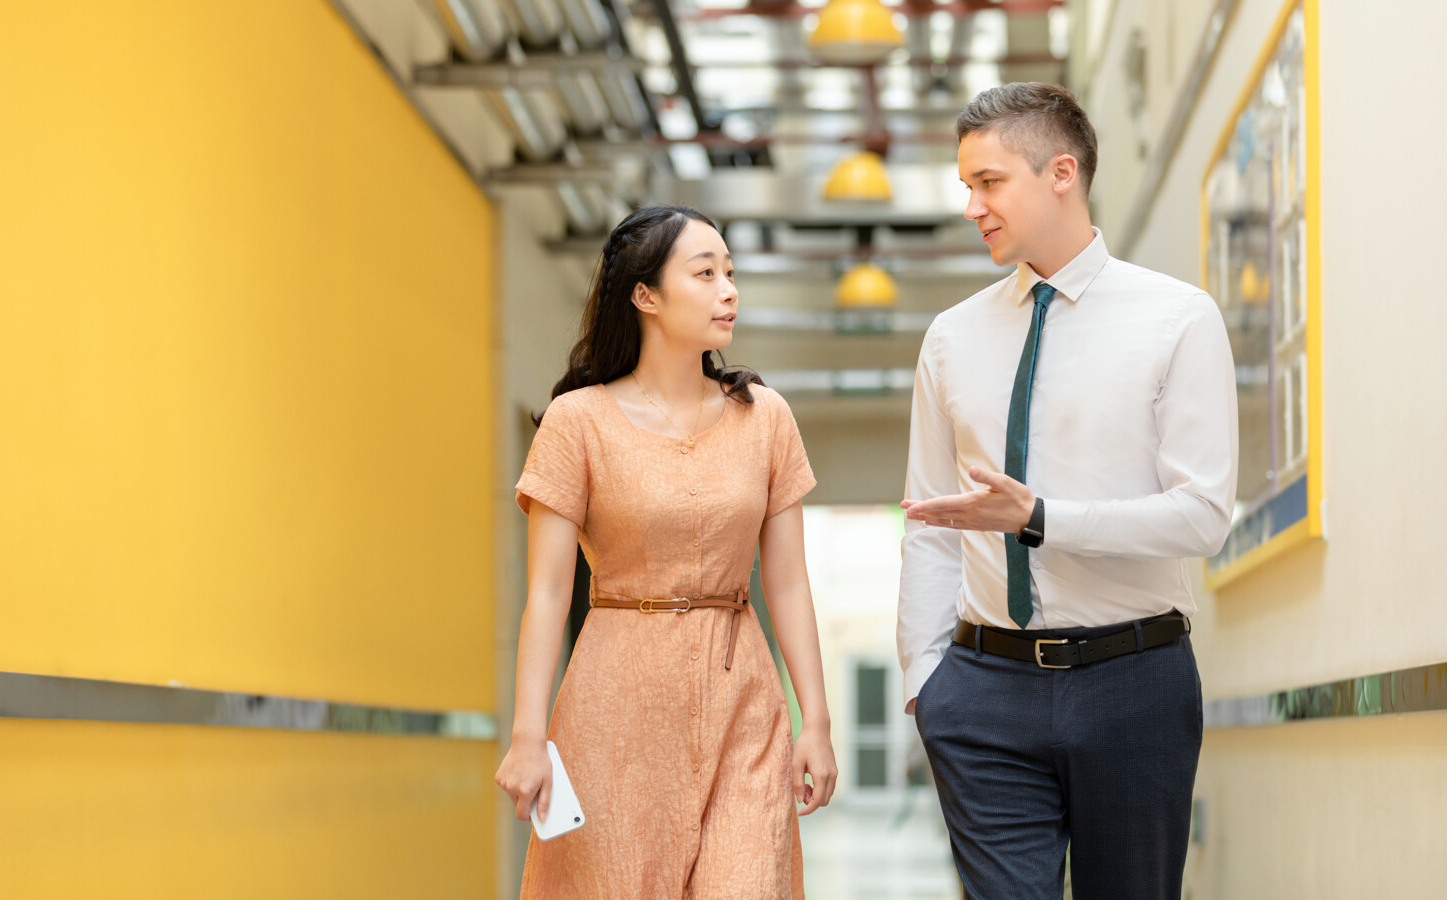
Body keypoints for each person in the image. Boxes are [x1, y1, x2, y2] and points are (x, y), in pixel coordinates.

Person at [897, 83, 1237, 900]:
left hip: (1135, 679)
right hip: (983, 692)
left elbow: (1202, 514)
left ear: (1061, 172)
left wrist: (1042, 520)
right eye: (966, 187)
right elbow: (932, 521)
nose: (973, 206)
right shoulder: (951, 337)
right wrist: (925, 681)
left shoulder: (1177, 319)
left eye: (988, 182)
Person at [495, 205, 838, 899]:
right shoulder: (577, 422)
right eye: (705, 273)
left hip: (744, 702)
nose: (729, 290)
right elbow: (548, 595)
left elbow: (790, 585)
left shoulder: (764, 418)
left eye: (731, 273)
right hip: (614, 708)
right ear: (644, 295)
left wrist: (818, 723)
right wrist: (529, 736)